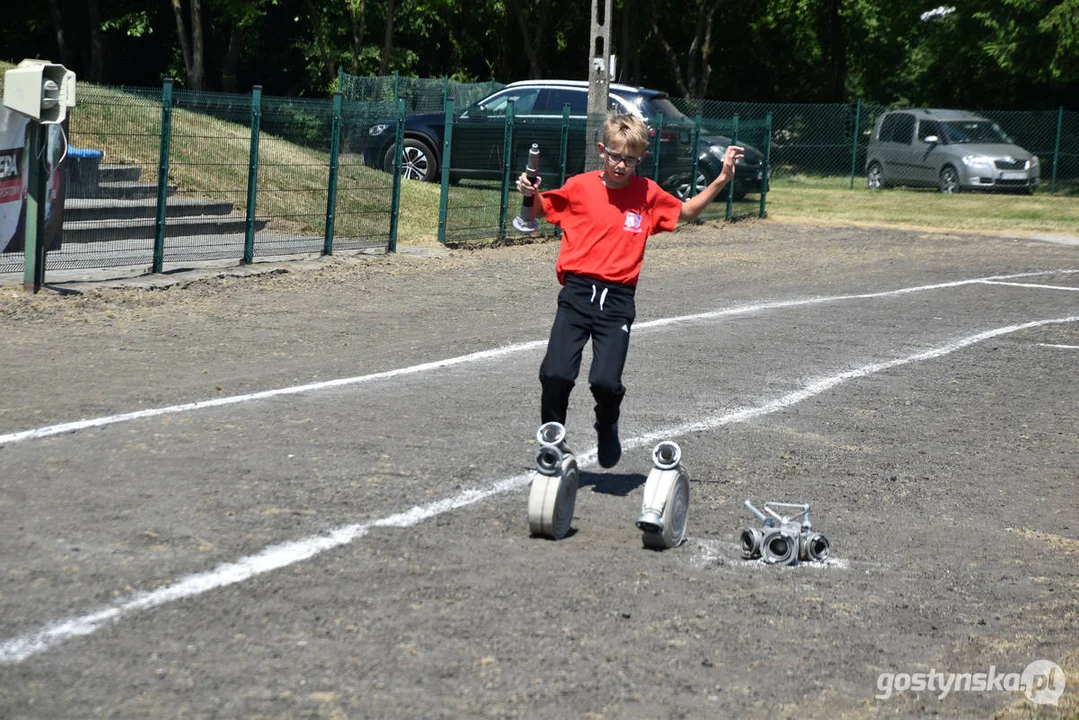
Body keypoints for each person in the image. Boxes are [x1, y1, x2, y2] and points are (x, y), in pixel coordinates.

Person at [518, 112, 743, 468]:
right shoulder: (580, 186)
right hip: (577, 294)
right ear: (602, 150)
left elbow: (686, 212)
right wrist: (531, 194)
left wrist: (721, 179)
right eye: (615, 155)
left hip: (617, 300)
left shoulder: (647, 194)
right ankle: (554, 438)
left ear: (641, 158)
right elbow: (544, 209)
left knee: (606, 382)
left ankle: (607, 423)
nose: (621, 165)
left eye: (630, 159)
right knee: (555, 373)